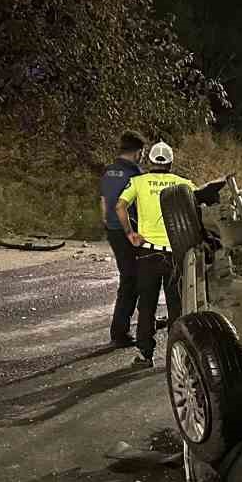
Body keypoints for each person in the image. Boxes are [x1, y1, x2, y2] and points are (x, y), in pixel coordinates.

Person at [116, 140, 195, 367]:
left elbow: (119, 207)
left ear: (150, 160)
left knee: (147, 304)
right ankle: (179, 357)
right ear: (170, 162)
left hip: (147, 253)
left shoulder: (138, 182)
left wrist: (131, 233)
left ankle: (145, 355)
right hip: (175, 254)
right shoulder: (183, 183)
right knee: (176, 306)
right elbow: (200, 205)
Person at [98, 131, 145, 347]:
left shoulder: (108, 171)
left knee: (130, 278)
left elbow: (103, 202)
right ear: (138, 153)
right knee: (132, 281)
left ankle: (137, 324)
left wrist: (109, 227)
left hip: (113, 231)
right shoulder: (135, 174)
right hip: (128, 231)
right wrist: (130, 232)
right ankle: (120, 332)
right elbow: (125, 207)